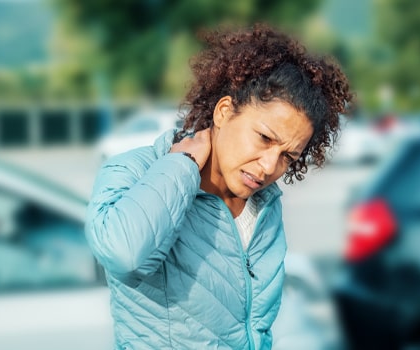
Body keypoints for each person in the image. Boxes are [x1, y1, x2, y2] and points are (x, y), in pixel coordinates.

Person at [85, 23, 352, 350]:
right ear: (224, 111)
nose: (269, 166)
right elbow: (124, 256)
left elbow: (261, 324)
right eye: (265, 138)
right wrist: (181, 166)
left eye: (287, 156)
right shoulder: (136, 170)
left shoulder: (265, 204)